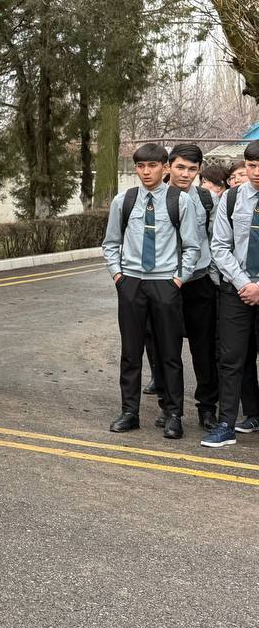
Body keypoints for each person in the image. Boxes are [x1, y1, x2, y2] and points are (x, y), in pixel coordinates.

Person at [102, 143, 201, 438]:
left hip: (165, 284)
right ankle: (129, 412)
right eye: (141, 166)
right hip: (131, 283)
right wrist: (118, 275)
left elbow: (192, 246)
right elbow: (111, 243)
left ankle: (173, 415)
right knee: (130, 352)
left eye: (153, 166)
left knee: (169, 352)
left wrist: (179, 279)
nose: (147, 172)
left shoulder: (179, 201)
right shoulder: (125, 200)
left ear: (165, 167)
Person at [204, 140, 259, 447]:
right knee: (232, 357)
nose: (256, 172)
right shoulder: (233, 198)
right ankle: (226, 422)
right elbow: (220, 246)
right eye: (251, 165)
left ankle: (255, 413)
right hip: (236, 290)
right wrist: (244, 284)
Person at [164, 145, 218, 430]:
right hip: (164, 284)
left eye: (192, 169)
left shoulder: (207, 200)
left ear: (198, 172)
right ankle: (169, 407)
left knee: (204, 349)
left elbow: (216, 240)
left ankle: (207, 408)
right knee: (166, 348)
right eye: (180, 167)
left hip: (198, 284)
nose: (185, 174)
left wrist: (213, 278)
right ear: (169, 166)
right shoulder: (153, 198)